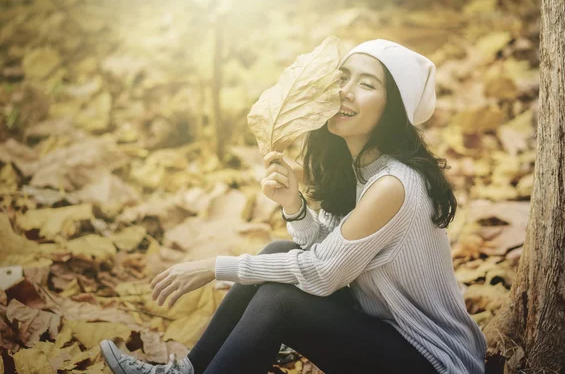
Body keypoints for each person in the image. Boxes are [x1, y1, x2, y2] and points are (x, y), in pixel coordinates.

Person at [100, 39, 488, 374]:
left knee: (280, 300)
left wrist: (214, 267)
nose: (346, 91)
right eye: (343, 77)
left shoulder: (391, 185)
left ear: (393, 107)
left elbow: (321, 273)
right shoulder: (363, 168)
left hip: (433, 361)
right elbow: (332, 256)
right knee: (278, 252)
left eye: (367, 84)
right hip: (387, 336)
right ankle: (189, 370)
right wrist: (294, 207)